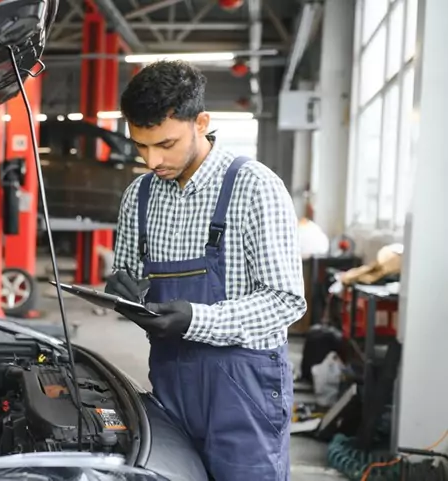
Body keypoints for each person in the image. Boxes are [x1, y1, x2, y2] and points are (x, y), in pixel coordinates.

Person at [106, 60, 306, 481]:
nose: (153, 160)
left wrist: (197, 319)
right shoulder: (138, 197)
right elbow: (126, 269)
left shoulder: (255, 188)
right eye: (141, 146)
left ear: (201, 122)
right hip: (170, 380)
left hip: (244, 386)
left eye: (166, 143)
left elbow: (286, 301)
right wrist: (119, 288)